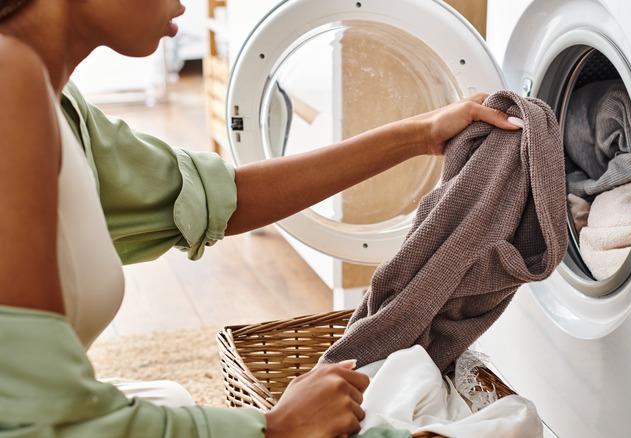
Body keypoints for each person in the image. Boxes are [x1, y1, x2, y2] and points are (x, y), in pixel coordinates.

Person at [0, 0, 523, 437]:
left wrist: (421, 132)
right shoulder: (8, 80)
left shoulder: (59, 105)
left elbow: (226, 196)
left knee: (174, 398)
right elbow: (43, 421)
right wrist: (274, 429)